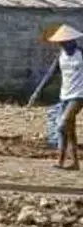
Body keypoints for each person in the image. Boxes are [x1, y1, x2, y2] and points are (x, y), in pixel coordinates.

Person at [29, 23, 83, 170]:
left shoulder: (81, 54)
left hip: (79, 96)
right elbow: (50, 75)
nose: (64, 45)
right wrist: (37, 92)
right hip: (64, 95)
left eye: (66, 42)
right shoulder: (61, 57)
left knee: (62, 125)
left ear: (73, 41)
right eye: (61, 43)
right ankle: (70, 163)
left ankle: (64, 160)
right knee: (69, 130)